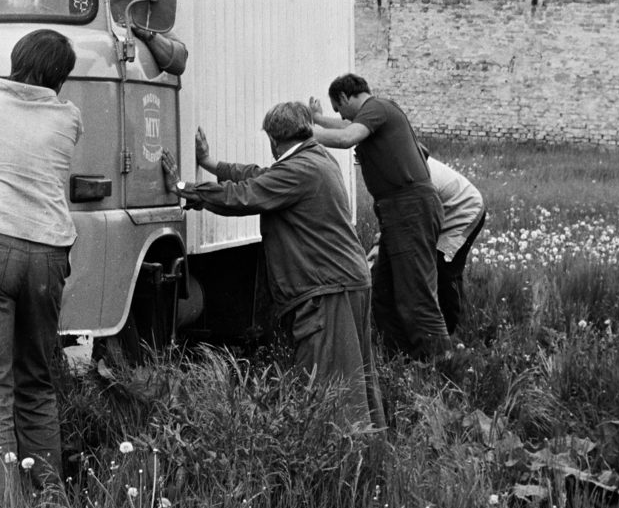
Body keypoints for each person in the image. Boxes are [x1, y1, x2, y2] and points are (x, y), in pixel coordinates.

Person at [163, 104, 385, 430]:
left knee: (327, 384)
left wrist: (183, 189)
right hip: (343, 282)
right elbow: (260, 175)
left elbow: (247, 194)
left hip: (327, 289)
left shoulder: (299, 170)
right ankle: (366, 454)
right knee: (354, 378)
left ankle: (335, 462)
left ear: (273, 139)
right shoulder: (316, 159)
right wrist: (212, 164)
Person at [0, 29, 83, 506]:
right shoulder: (69, 117)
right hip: (48, 254)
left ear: (17, 57)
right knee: (36, 382)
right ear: (61, 77)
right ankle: (52, 503)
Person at [307, 74, 451, 360]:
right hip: (399, 211)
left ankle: (440, 362)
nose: (341, 116)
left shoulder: (376, 107)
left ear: (346, 98)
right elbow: (347, 125)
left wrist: (303, 133)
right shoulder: (379, 114)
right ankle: (403, 359)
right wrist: (320, 120)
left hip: (409, 208)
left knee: (415, 292)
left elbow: (348, 136)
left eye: (338, 108)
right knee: (384, 293)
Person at [427, 156, 485, 336]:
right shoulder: (405, 157)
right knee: (446, 269)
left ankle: (451, 330)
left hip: (464, 209)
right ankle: (455, 322)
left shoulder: (410, 167)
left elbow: (424, 214)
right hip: (448, 208)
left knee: (444, 268)